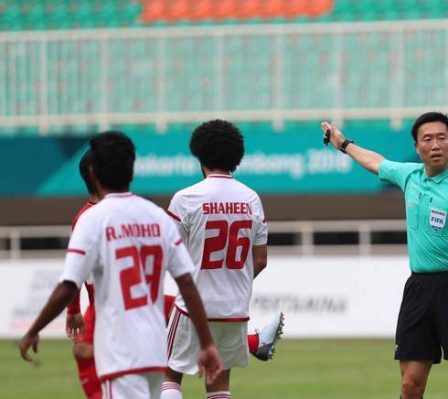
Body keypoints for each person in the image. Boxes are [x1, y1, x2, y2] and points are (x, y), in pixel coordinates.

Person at [19, 131, 224, 399]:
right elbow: (187, 283)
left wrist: (33, 329)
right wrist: (207, 342)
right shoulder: (157, 217)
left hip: (119, 352)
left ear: (92, 174)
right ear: (132, 172)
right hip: (154, 350)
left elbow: (68, 285)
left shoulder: (92, 220)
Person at [65, 152, 285, 398]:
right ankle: (254, 343)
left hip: (124, 310)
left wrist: (73, 310)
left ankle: (255, 343)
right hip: (125, 311)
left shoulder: (104, 215)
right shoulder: (251, 198)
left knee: (167, 372)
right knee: (206, 376)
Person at [320, 112, 448, 399]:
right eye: (427, 139)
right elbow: (375, 162)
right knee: (410, 383)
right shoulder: (410, 176)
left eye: (442, 138)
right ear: (417, 147)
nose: (435, 145)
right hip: (418, 289)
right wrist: (343, 144)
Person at [162, 120, 280, 399]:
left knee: (169, 375)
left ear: (199, 155)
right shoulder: (251, 199)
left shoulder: (185, 198)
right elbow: (261, 259)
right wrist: (230, 280)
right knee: (218, 385)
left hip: (193, 306)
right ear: (236, 157)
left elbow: (166, 253)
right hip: (234, 308)